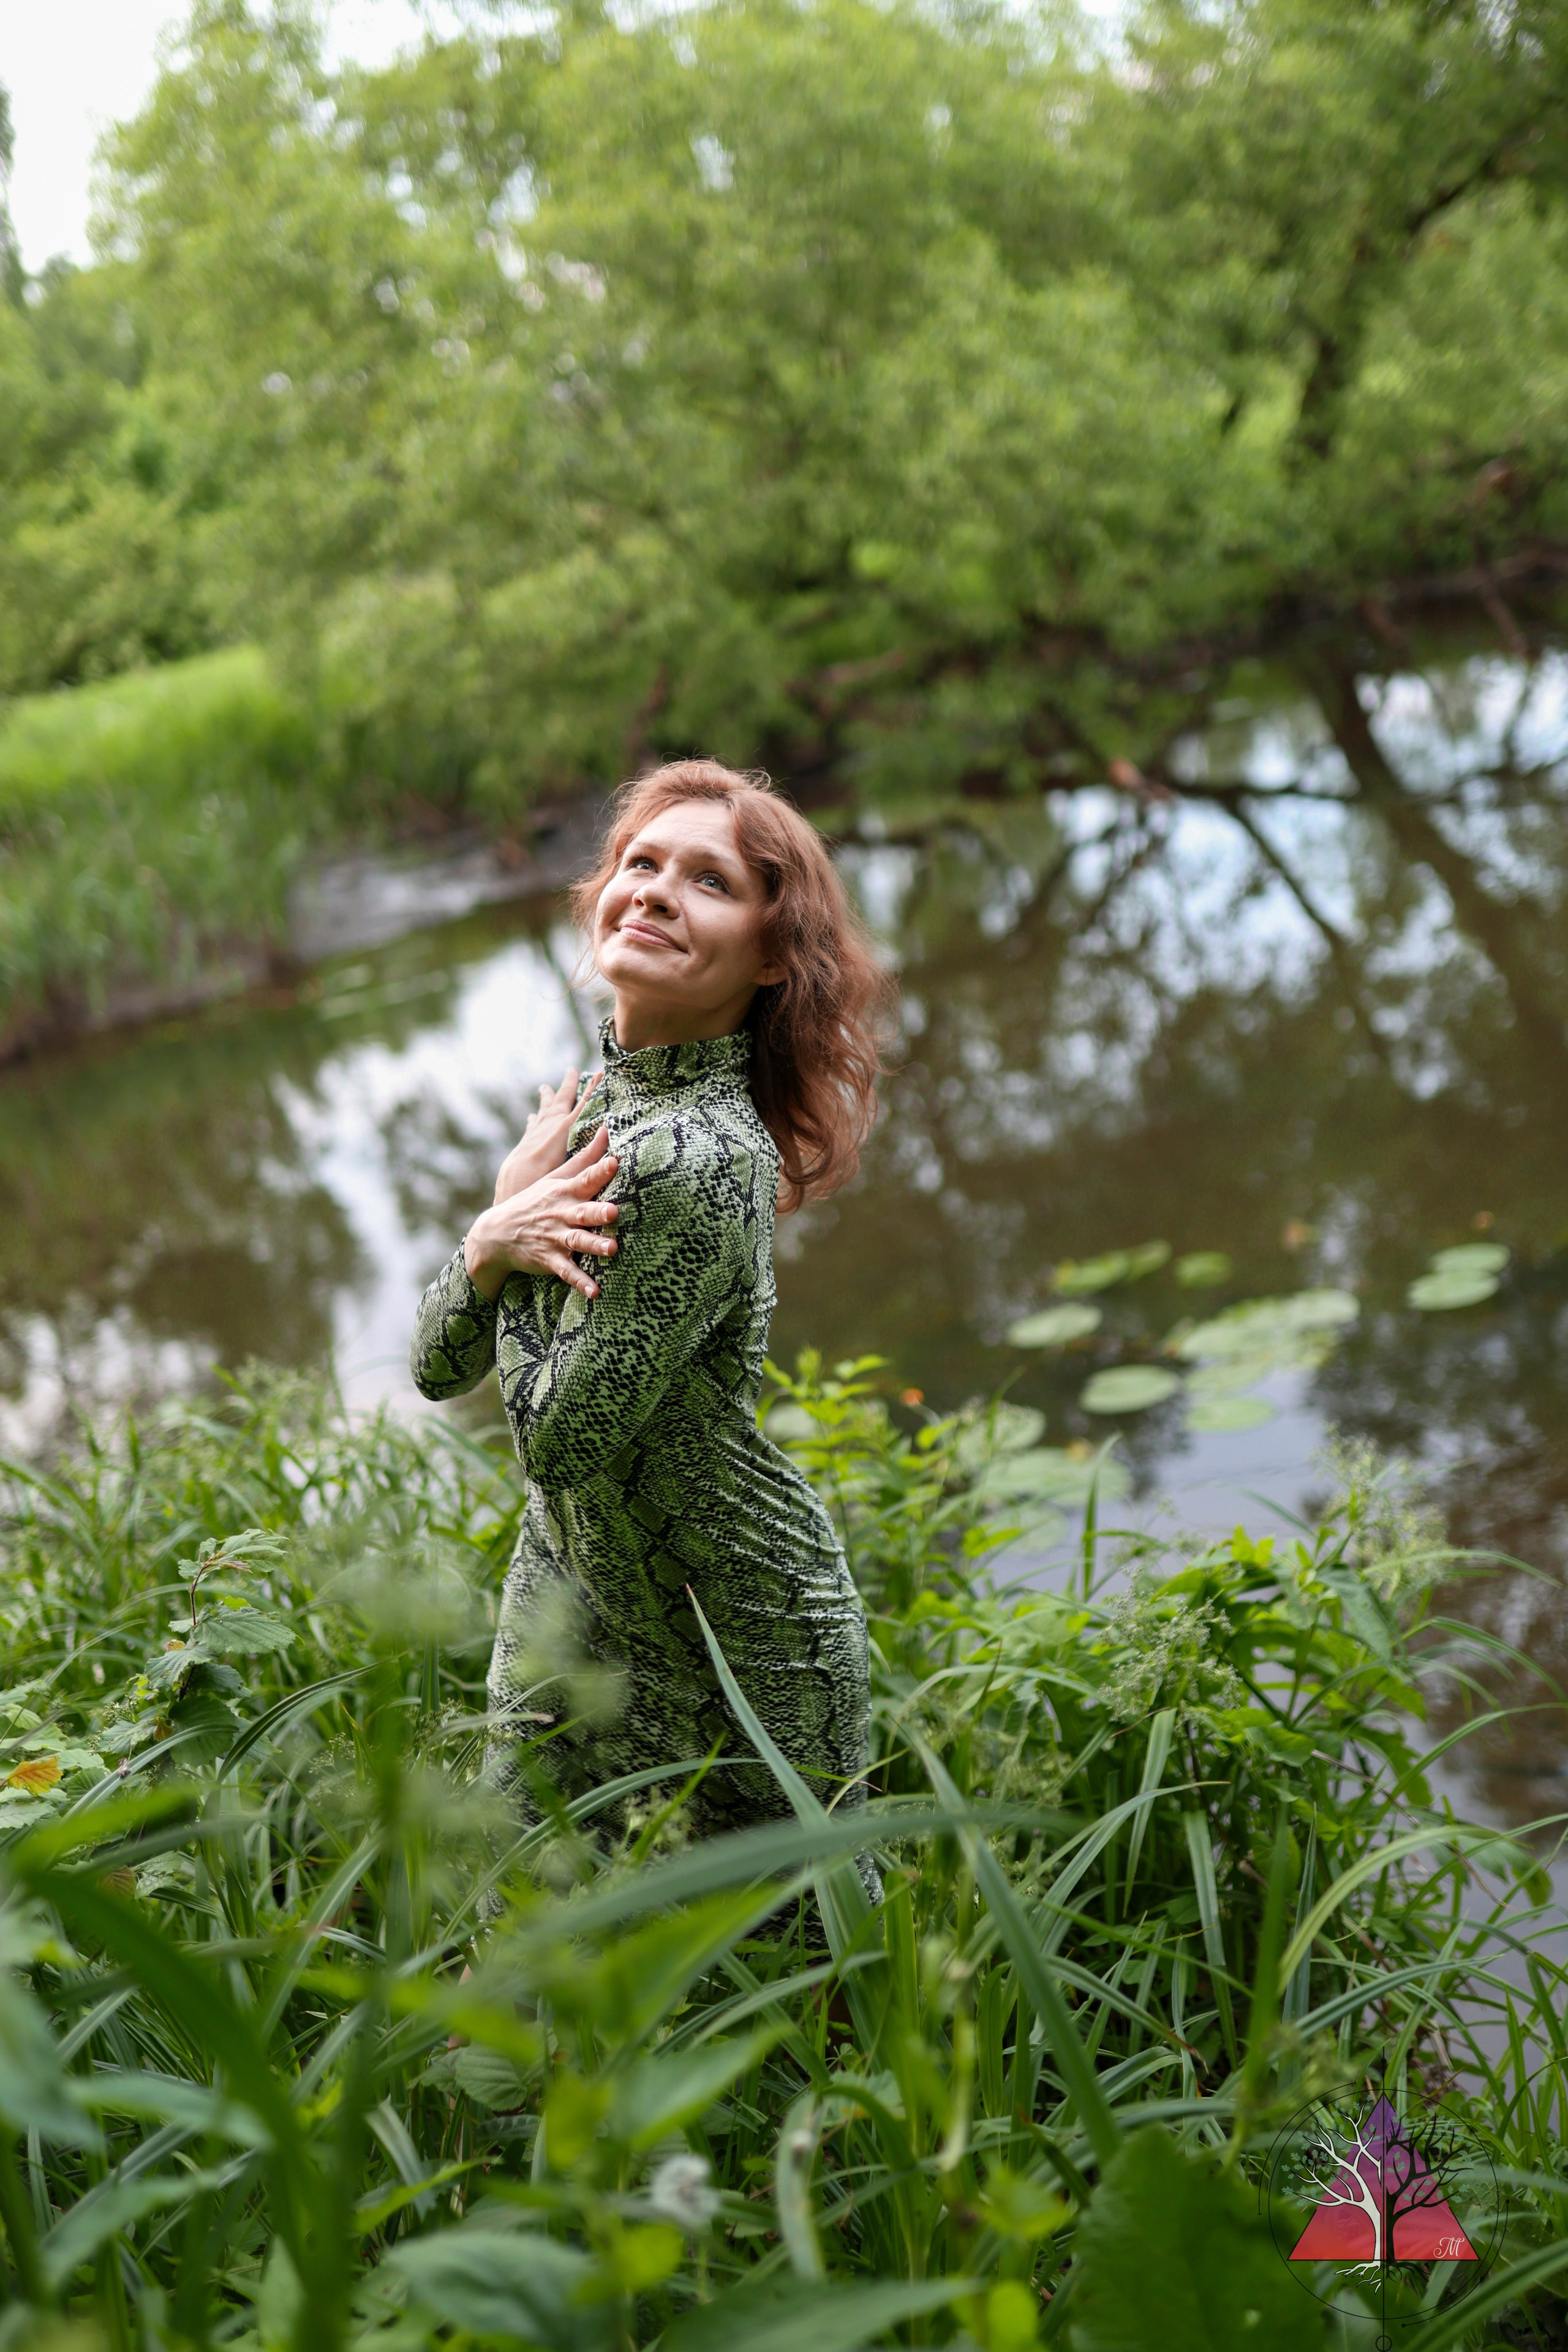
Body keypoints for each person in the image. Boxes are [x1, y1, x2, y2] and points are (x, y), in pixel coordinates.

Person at [409, 759, 889, 1882]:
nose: (657, 892)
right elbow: (437, 1370)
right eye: (640, 863)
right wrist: (491, 1237)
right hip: (575, 1575)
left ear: (774, 958)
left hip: (738, 1617)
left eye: (710, 881)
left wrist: (503, 1242)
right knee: (519, 1901)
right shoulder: (593, 1110)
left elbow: (557, 1438)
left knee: (806, 1954)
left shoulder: (702, 1156)